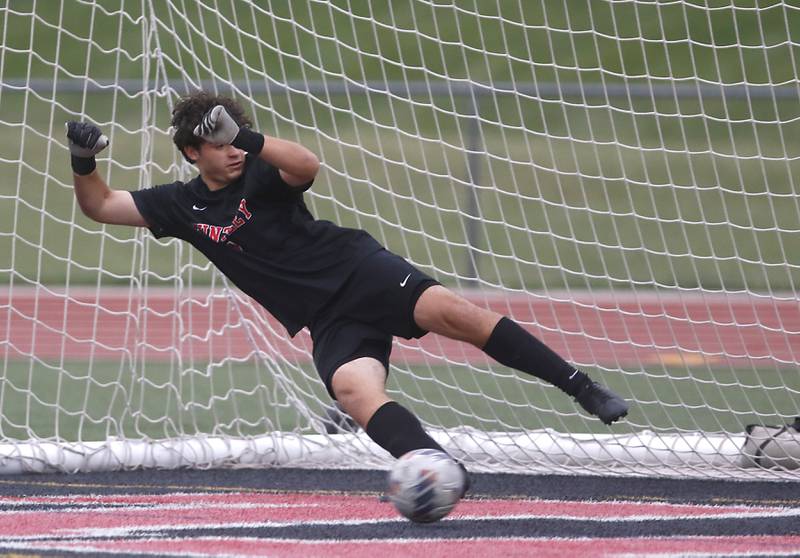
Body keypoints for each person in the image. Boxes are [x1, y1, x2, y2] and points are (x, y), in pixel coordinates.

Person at [66, 91, 629, 490]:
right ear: (192, 152)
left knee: (456, 314)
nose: (230, 151)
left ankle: (580, 386)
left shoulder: (260, 168)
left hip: (360, 270)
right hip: (325, 316)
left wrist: (248, 137)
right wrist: (84, 160)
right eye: (215, 144)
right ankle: (436, 468)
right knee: (353, 392)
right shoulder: (181, 205)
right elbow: (100, 205)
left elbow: (307, 164)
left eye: (233, 139)